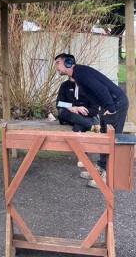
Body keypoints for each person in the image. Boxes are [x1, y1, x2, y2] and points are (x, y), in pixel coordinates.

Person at [55, 53, 129, 188]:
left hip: (116, 104)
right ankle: (101, 168)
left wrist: (111, 108)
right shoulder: (77, 75)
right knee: (104, 137)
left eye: (58, 63)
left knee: (111, 139)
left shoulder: (81, 72)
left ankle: (108, 177)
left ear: (68, 63)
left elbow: (101, 89)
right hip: (108, 105)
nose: (56, 67)